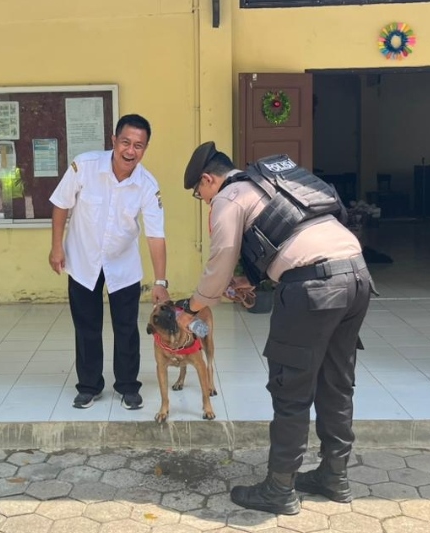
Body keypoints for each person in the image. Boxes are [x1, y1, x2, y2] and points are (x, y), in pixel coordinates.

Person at [178, 142, 371, 515]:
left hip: (311, 288)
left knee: (290, 387)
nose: (204, 200)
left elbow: (220, 262)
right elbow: (289, 239)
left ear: (207, 179)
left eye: (199, 193)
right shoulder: (270, 183)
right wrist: (251, 281)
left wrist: (193, 307)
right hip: (356, 274)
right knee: (336, 381)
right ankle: (335, 476)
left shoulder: (229, 196)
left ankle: (280, 489)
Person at [49, 114, 170, 411]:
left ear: (145, 149)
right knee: (86, 327)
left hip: (123, 264)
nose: (131, 151)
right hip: (83, 259)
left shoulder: (147, 184)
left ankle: (128, 386)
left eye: (138, 145)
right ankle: (89, 386)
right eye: (125, 142)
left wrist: (160, 281)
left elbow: (156, 235)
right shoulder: (85, 166)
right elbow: (61, 205)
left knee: (126, 328)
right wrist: (56, 247)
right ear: (114, 141)